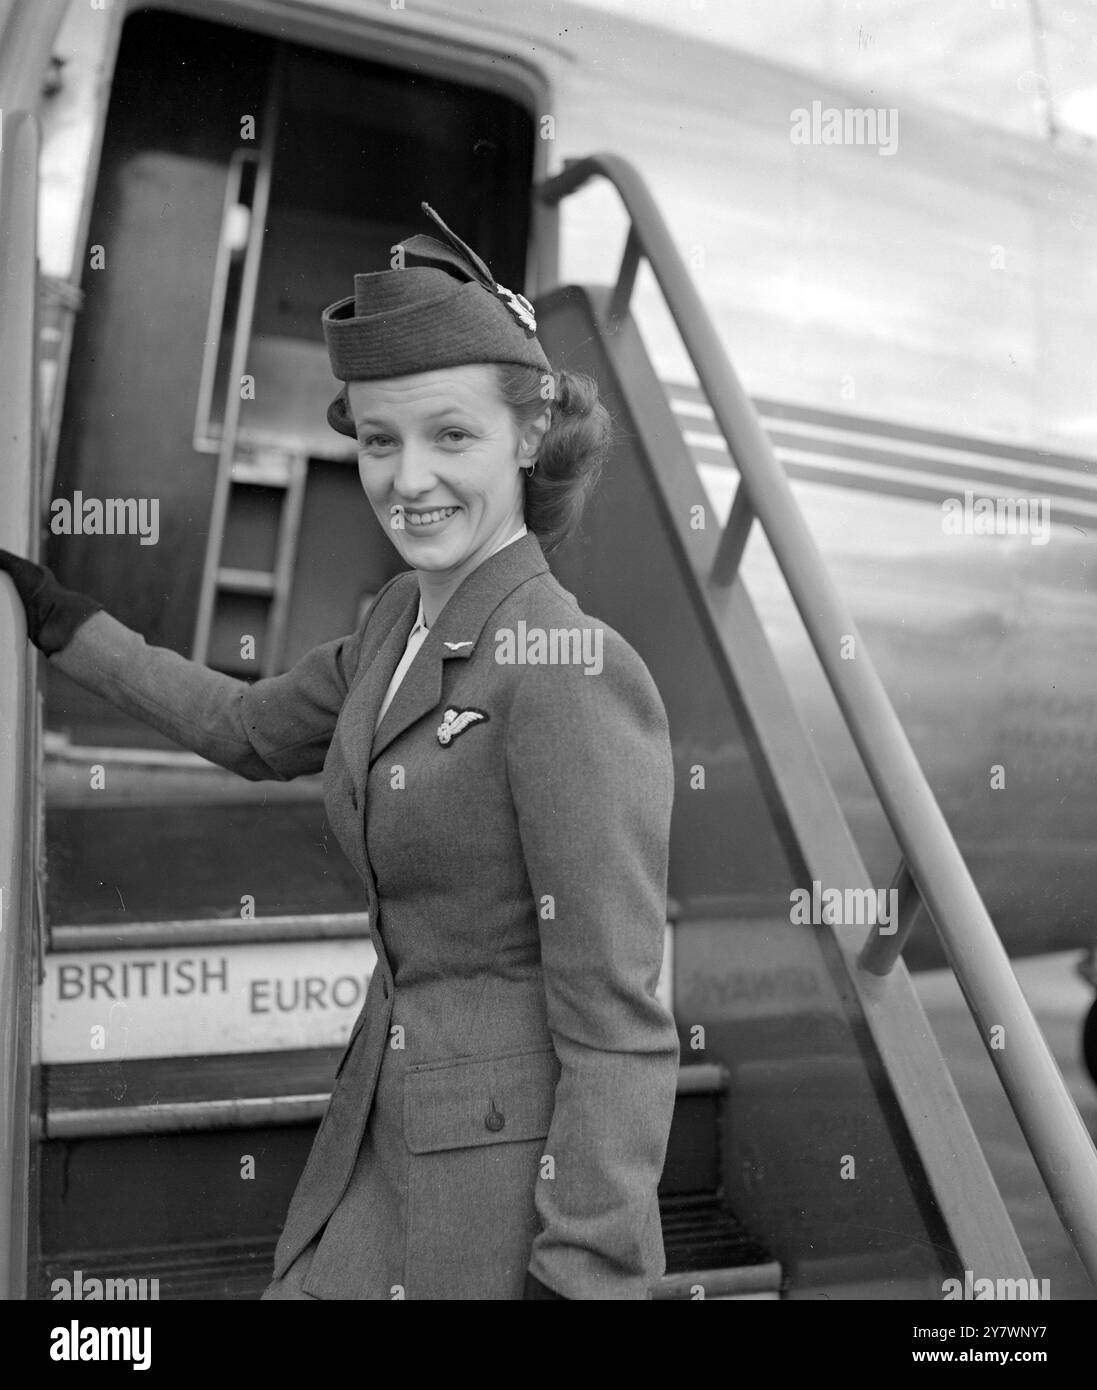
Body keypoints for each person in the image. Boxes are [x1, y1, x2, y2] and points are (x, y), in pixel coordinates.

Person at [0, 205, 679, 1300]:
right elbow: (249, 729)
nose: (407, 479)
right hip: (379, 1123)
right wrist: (73, 627)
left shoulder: (562, 667)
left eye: (449, 435)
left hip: (499, 1187)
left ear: (525, 438)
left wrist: (580, 1271)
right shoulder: (392, 622)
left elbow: (618, 1025)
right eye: (377, 439)